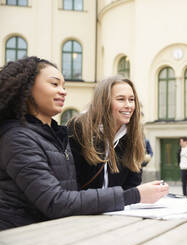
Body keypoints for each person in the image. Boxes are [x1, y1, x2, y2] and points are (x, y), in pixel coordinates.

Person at [0, 57, 168, 231]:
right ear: (27, 88)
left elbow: (67, 198)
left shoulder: (55, 135)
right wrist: (135, 195)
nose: (63, 91)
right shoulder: (18, 138)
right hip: (23, 235)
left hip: (61, 229)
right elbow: (56, 201)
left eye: (63, 86)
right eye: (54, 84)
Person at [68, 76, 146, 190]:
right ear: (104, 101)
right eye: (121, 99)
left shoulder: (132, 133)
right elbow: (72, 185)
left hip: (119, 207)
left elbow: (132, 184)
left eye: (131, 99)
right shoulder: (78, 128)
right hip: (85, 206)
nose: (128, 105)